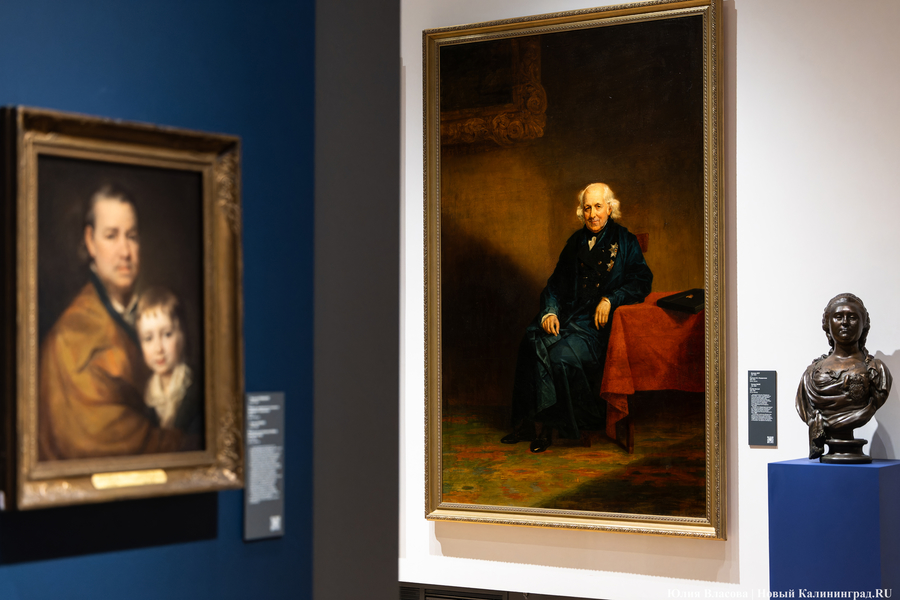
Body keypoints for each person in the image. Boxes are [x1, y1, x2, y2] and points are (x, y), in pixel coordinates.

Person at [502, 183, 653, 452]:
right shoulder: (575, 242)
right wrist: (550, 311)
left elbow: (641, 281)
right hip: (568, 318)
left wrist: (611, 299)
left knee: (558, 356)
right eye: (587, 208)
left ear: (610, 208)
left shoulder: (625, 241)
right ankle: (527, 423)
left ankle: (549, 428)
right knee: (530, 341)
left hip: (598, 329)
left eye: (598, 207)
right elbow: (554, 284)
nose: (592, 214)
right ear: (581, 211)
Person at [39, 184, 183, 460]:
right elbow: (100, 442)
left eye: (132, 237)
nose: (125, 251)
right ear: (90, 241)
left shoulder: (154, 314)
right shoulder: (68, 339)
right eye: (111, 236)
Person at [795, 293, 892, 461]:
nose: (845, 322)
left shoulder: (876, 371)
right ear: (828, 325)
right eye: (838, 317)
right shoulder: (811, 373)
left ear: (863, 326)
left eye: (852, 317)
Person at [136, 287, 203, 447]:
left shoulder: (197, 388)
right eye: (148, 338)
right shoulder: (144, 398)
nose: (158, 348)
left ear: (182, 335)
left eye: (167, 334)